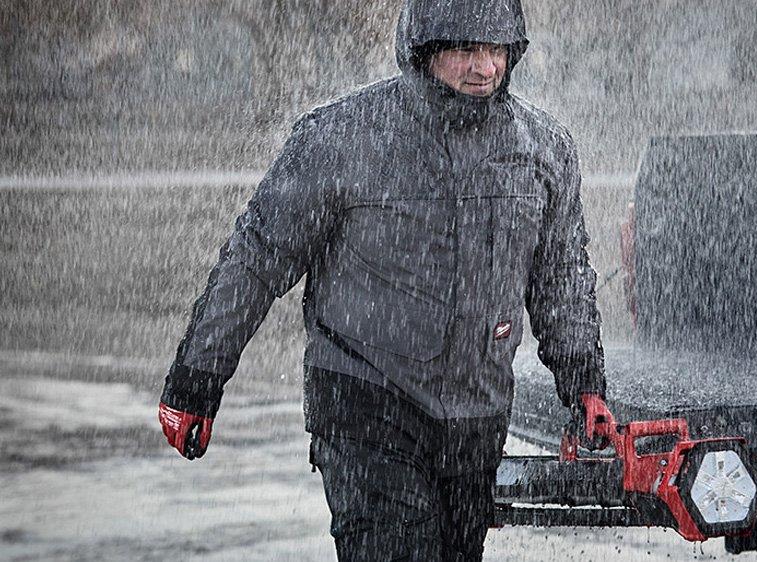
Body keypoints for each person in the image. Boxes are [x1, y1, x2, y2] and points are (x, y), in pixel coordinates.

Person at [157, 0, 614, 559]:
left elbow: (561, 278)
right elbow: (256, 260)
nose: (485, 68)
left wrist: (585, 382)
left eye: (495, 50)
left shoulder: (542, 151)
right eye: (466, 49)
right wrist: (197, 378)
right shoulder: (342, 139)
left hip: (475, 416)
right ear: (424, 52)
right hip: (366, 400)